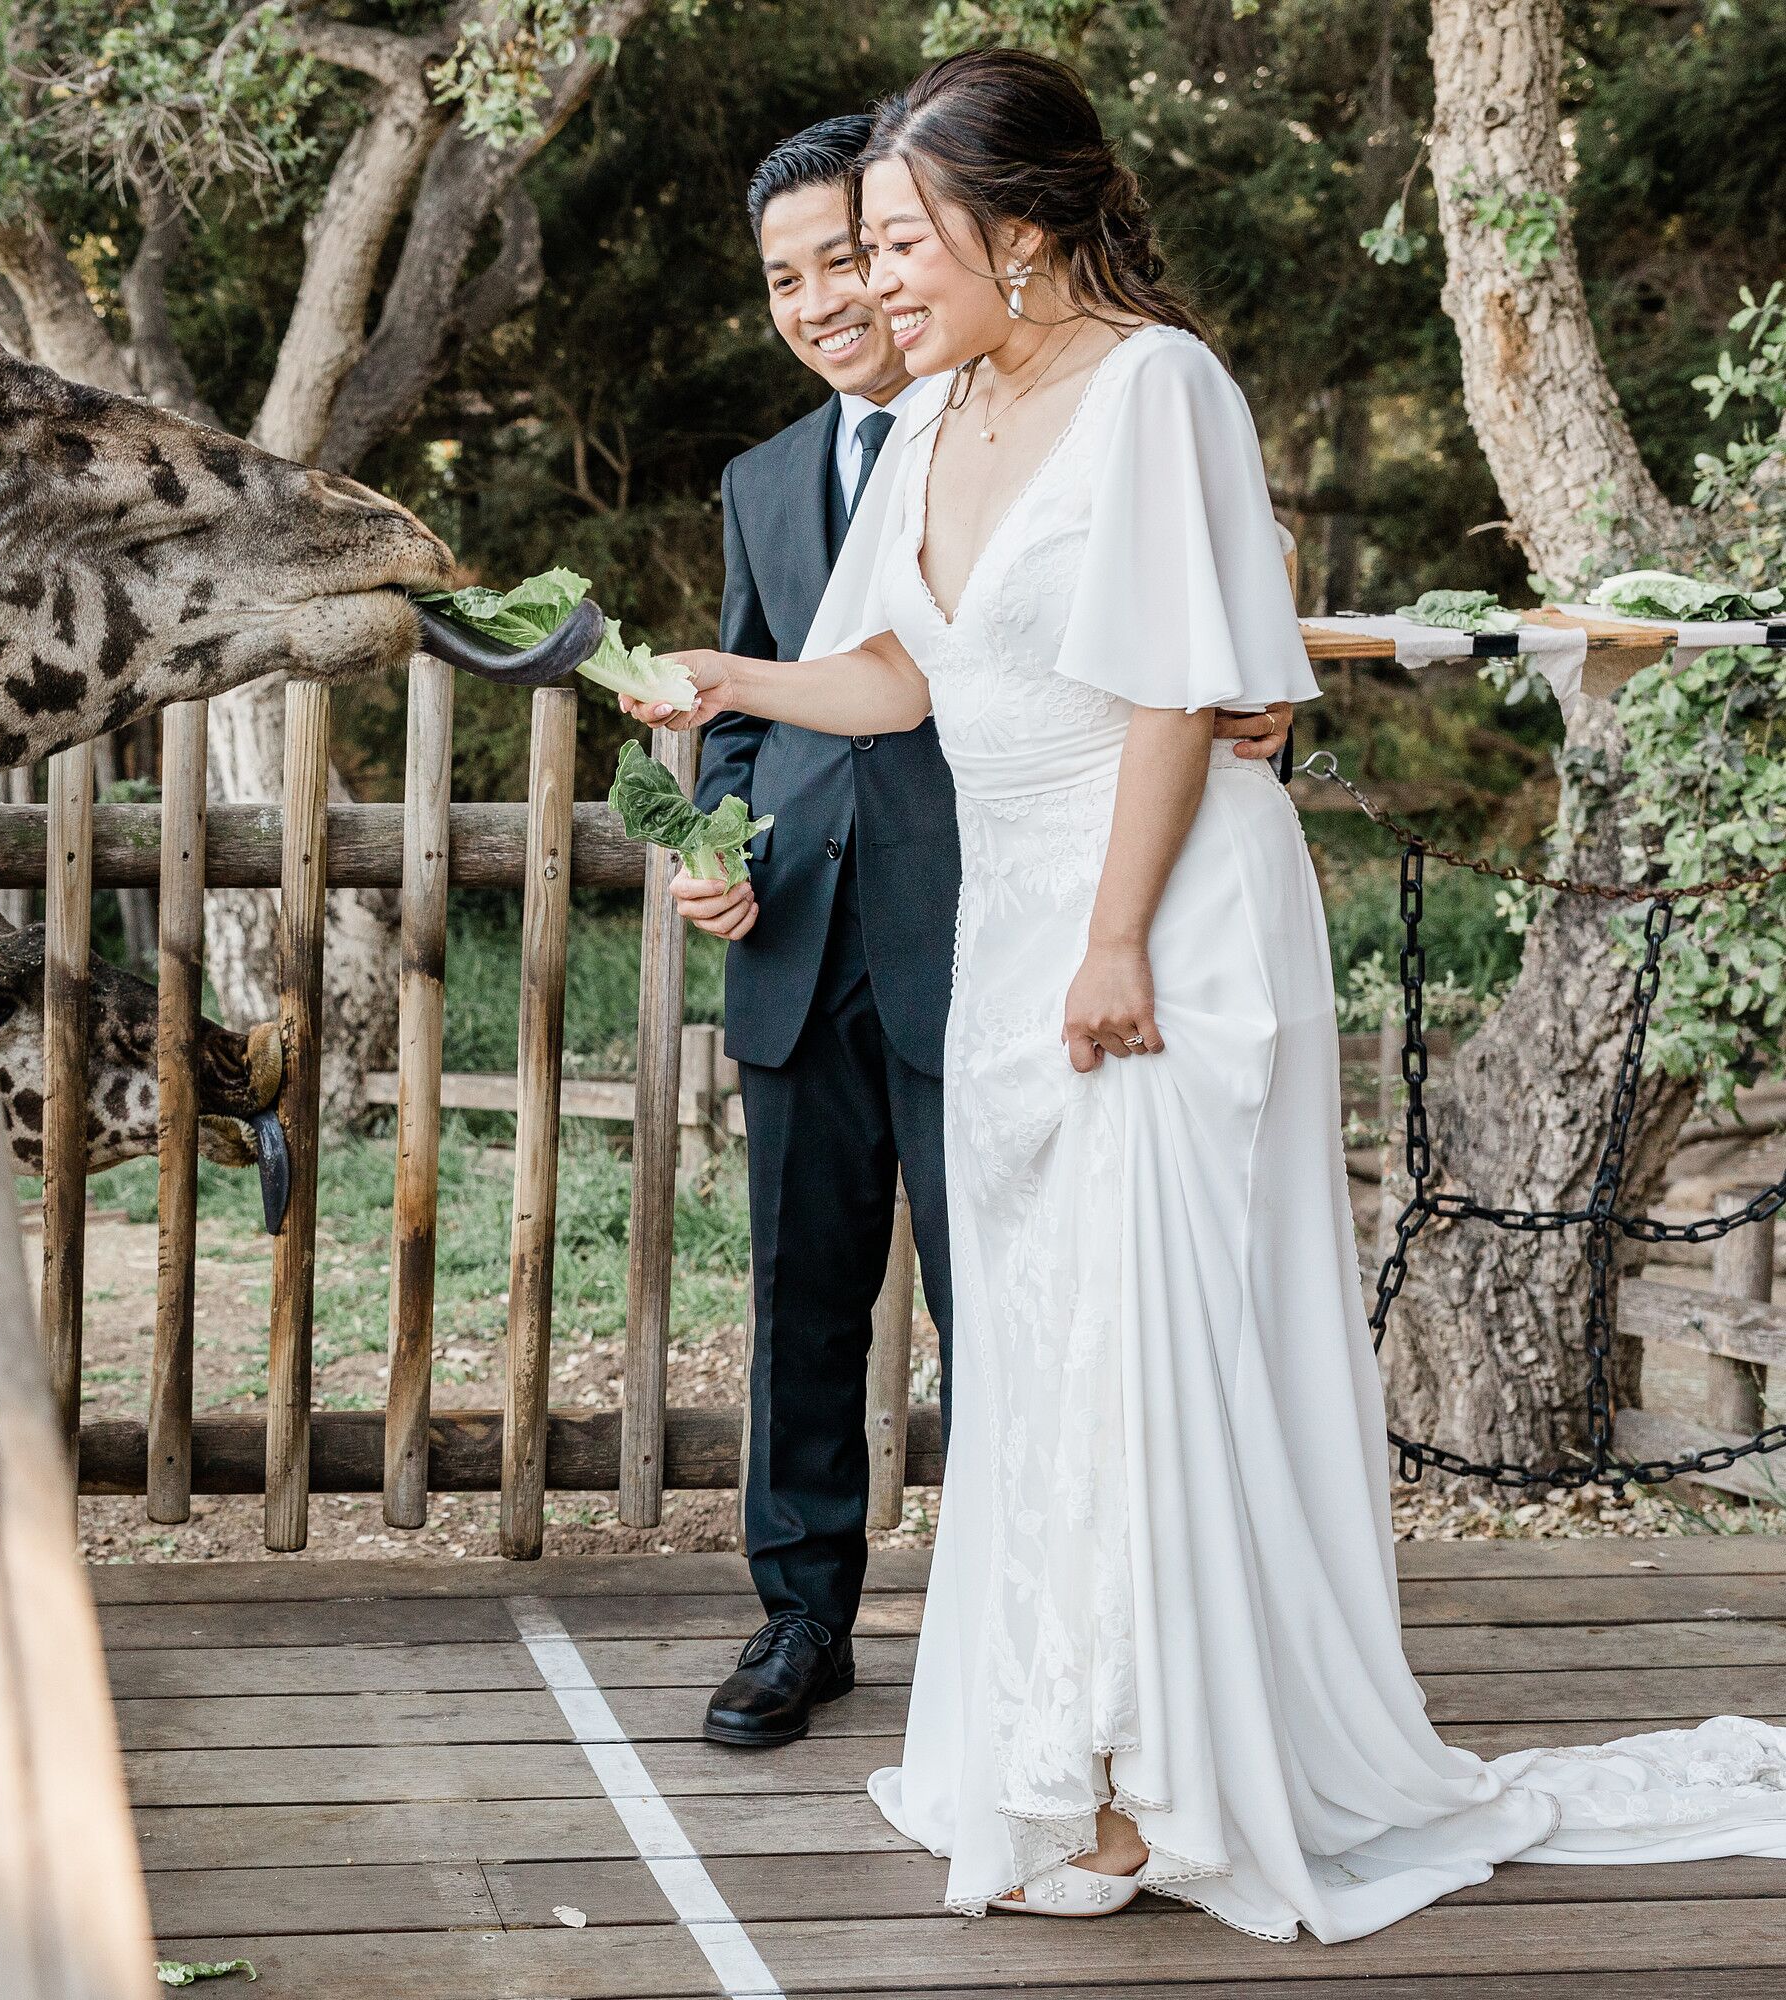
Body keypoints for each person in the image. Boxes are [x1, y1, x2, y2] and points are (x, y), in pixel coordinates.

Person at [625, 45, 1786, 1944]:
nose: (881, 279)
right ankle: (1056, 1742)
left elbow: (1182, 689)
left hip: (1152, 907)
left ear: (1022, 226)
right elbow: (896, 679)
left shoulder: (1160, 388)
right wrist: (729, 682)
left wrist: (1111, 938)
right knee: (1053, 1331)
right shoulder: (932, 418)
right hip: (1020, 914)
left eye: (909, 240)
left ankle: (1148, 1783)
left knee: (1140, 1324)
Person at [687, 115, 1284, 1751]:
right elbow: (812, 690)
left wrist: (1235, 749)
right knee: (813, 1302)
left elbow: (1197, 644)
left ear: (975, 235)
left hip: (1033, 927)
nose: (839, 296)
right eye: (799, 274)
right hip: (818, 940)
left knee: (1035, 1317)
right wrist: (717, 775)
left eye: (869, 251)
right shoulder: (795, 471)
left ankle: (1089, 1682)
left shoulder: (1125, 394)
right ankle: (832, 1633)